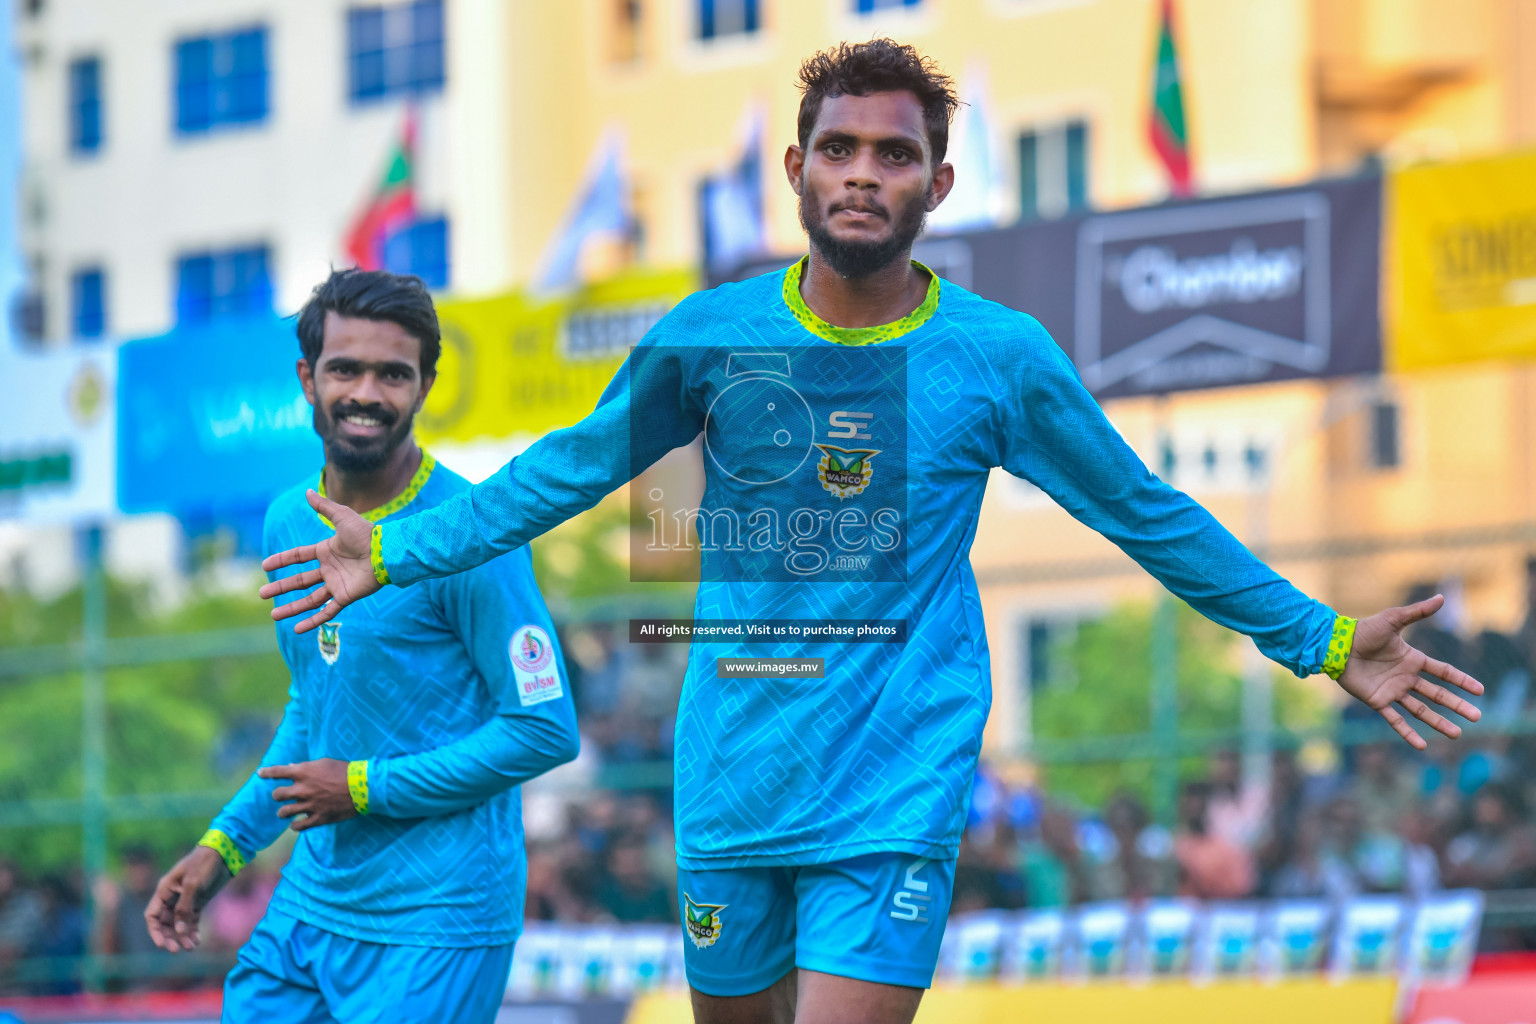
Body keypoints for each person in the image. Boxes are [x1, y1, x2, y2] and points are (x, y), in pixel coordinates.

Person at [259, 40, 1484, 1024]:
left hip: (894, 788)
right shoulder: (709, 335)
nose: (861, 172)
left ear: (936, 186)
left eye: (892, 154)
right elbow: (568, 470)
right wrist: (400, 549)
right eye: (836, 148)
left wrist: (1318, 635)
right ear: (795, 170)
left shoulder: (999, 360)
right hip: (734, 775)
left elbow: (1147, 513)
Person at [144, 270, 580, 1024]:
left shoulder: (473, 537)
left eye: (393, 373)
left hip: (438, 921)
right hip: (314, 904)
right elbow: (313, 704)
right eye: (346, 368)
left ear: (426, 385)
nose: (368, 393)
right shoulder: (289, 524)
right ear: (308, 379)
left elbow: (544, 728)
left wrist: (361, 788)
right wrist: (227, 844)